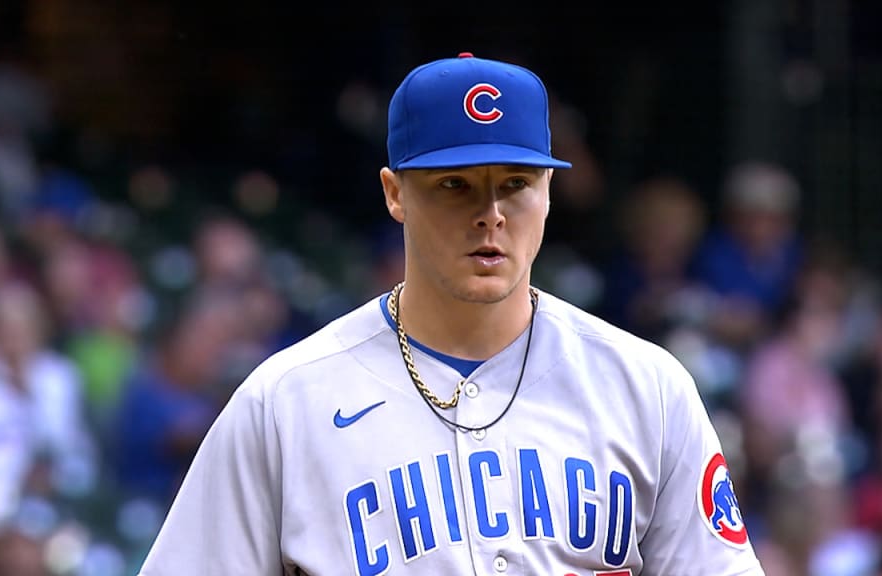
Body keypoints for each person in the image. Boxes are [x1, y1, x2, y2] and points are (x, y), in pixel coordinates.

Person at [137, 52, 765, 575]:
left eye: (516, 183)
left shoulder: (647, 388)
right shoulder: (285, 402)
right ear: (394, 194)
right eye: (454, 184)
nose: (490, 213)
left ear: (548, 194)